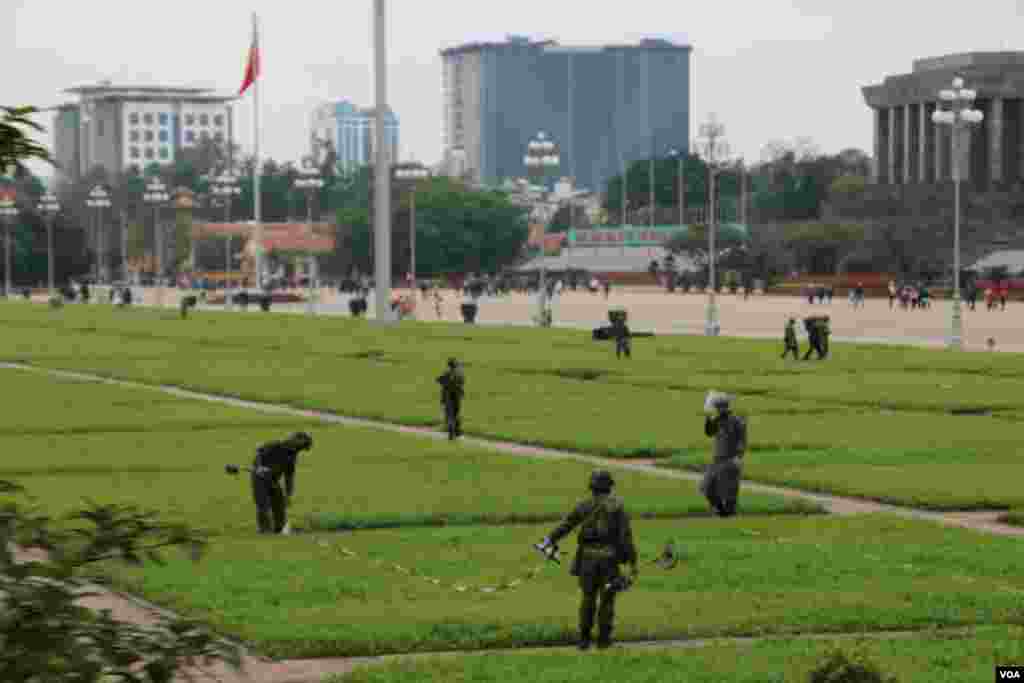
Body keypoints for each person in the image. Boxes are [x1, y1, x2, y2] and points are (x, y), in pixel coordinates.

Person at [537, 470, 638, 651]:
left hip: (587, 562)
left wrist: (549, 540)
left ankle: (583, 640)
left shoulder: (583, 506)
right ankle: (604, 641)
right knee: (607, 600)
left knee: (587, 599)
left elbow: (566, 525)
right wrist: (632, 562)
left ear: (591, 487)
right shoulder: (617, 507)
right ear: (609, 487)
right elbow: (625, 538)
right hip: (608, 562)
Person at [251, 432, 313, 534]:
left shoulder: (292, 456)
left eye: (302, 448)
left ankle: (279, 529)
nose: (299, 450)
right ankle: (264, 529)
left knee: (279, 504)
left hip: (273, 480)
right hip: (260, 478)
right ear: (294, 440)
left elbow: (289, 477)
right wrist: (259, 467)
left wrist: (288, 495)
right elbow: (259, 454)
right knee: (263, 504)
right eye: (300, 447)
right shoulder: (275, 445)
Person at [701, 394, 747, 517]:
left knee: (729, 495)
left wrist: (738, 457)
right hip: (717, 461)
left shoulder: (737, 421)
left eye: (718, 407)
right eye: (716, 406)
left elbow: (742, 441)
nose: (717, 409)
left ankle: (728, 516)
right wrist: (708, 417)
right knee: (706, 487)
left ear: (724, 407)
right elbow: (709, 432)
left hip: (730, 462)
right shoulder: (717, 420)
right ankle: (721, 512)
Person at [436, 358, 465, 439]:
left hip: (448, 397)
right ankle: (458, 431)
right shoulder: (460, 374)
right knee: (456, 414)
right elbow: (462, 383)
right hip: (457, 397)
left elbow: (439, 380)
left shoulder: (447, 374)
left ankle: (451, 433)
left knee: (449, 415)